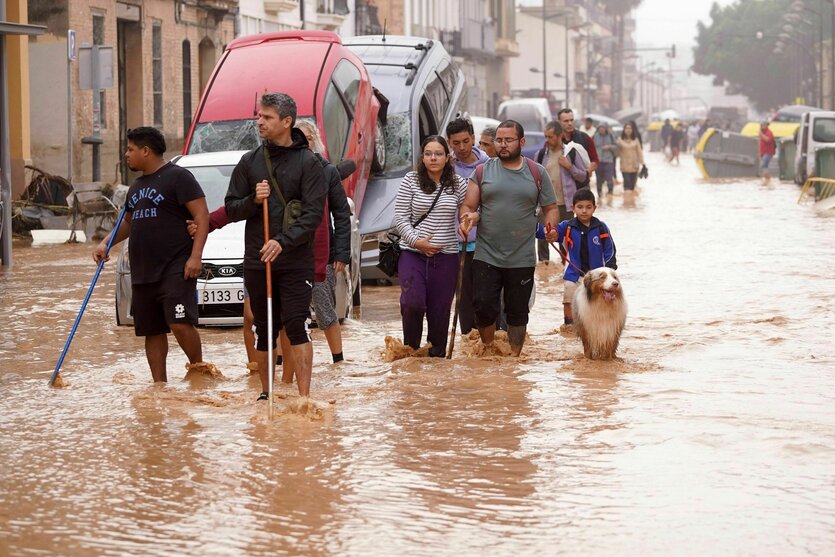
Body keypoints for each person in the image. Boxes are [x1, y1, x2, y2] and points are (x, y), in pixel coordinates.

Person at [225, 92, 326, 402]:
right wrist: (254, 200)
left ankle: (304, 398)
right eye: (259, 116)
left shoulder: (309, 163)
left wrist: (282, 242)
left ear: (286, 121)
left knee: (297, 323)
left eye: (266, 117)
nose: (259, 122)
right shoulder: (249, 162)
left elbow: (311, 216)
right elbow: (231, 208)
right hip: (258, 259)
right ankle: (266, 393)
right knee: (264, 327)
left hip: (295, 260)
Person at [93, 127, 210, 383]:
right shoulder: (136, 186)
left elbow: (202, 216)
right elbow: (128, 221)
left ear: (146, 151)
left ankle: (199, 371)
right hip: (144, 269)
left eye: (130, 149)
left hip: (176, 266)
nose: (126, 154)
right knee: (152, 330)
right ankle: (159, 385)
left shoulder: (179, 177)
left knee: (179, 322)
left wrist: (196, 256)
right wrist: (105, 244)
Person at [459, 120, 559, 356]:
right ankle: (489, 350)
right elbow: (468, 205)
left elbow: (551, 207)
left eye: (508, 140)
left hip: (521, 257)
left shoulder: (537, 172)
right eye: (499, 140)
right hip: (487, 254)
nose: (502, 145)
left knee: (517, 312)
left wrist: (551, 225)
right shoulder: (483, 171)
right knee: (483, 307)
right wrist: (467, 218)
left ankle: (514, 358)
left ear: (521, 142)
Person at [394, 135, 467, 357]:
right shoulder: (410, 180)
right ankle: (412, 352)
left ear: (447, 157)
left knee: (440, 311)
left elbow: (469, 210)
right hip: (412, 253)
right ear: (422, 157)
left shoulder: (458, 184)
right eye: (428, 154)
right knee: (412, 303)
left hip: (446, 258)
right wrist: (417, 242)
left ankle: (436, 358)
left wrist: (465, 222)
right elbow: (400, 218)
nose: (433, 158)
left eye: (438, 154)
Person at [294, 120, 352, 365]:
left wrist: (341, 254)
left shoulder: (327, 171)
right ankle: (282, 364)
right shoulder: (285, 168)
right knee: (289, 313)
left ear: (315, 140)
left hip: (322, 253)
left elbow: (341, 213)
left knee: (325, 308)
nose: (303, 143)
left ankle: (338, 361)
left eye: (307, 138)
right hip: (290, 253)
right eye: (298, 137)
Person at [446, 118, 489, 335]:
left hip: (485, 244)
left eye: (465, 141)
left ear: (473, 138)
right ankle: (469, 345)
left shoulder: (489, 166)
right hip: (456, 245)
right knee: (463, 300)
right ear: (449, 143)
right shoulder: (445, 168)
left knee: (486, 298)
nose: (462, 148)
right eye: (456, 143)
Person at [552, 188, 617, 326]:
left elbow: (610, 250)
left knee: (599, 302)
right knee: (568, 299)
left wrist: (610, 270)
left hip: (597, 277)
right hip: (574, 275)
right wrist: (547, 232)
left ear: (594, 208)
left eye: (588, 207)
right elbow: (552, 233)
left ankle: (598, 326)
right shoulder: (567, 227)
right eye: (580, 207)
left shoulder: (601, 227)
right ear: (573, 208)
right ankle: (569, 327)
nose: (584, 211)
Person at [536, 120, 586, 223]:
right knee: (544, 238)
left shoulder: (571, 153)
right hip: (545, 206)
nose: (547, 140)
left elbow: (583, 176)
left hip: (566, 207)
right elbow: (534, 180)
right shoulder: (540, 155)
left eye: (550, 137)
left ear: (560, 136)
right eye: (546, 136)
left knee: (566, 238)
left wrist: (570, 167)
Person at [557, 108, 598, 190]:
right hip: (561, 188)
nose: (570, 123)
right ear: (559, 122)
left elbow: (595, 161)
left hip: (582, 186)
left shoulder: (584, 138)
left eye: (572, 120)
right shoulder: (554, 141)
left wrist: (587, 172)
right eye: (566, 121)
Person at [617, 122, 644, 202]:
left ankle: (631, 203)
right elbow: (617, 153)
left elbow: (639, 152)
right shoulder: (620, 140)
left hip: (634, 166)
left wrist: (643, 164)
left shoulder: (636, 140)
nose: (628, 130)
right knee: (627, 185)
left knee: (632, 186)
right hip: (624, 167)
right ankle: (626, 203)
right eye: (626, 128)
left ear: (632, 130)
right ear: (624, 130)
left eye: (630, 128)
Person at [592, 122, 617, 196]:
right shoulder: (594, 136)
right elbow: (590, 147)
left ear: (606, 129)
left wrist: (609, 147)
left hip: (609, 161)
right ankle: (599, 195)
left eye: (603, 128)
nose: (601, 129)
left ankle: (610, 194)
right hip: (598, 161)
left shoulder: (611, 136)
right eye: (600, 128)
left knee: (609, 178)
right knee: (599, 179)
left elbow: (616, 146)